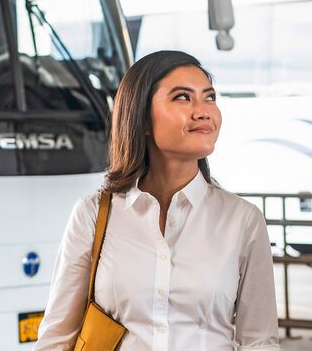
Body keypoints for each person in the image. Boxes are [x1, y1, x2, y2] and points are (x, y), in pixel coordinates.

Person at [35, 51, 279, 350]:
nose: (203, 111)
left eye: (210, 97)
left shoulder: (243, 220)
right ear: (142, 119)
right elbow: (58, 337)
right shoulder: (93, 214)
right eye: (182, 97)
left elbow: (259, 342)